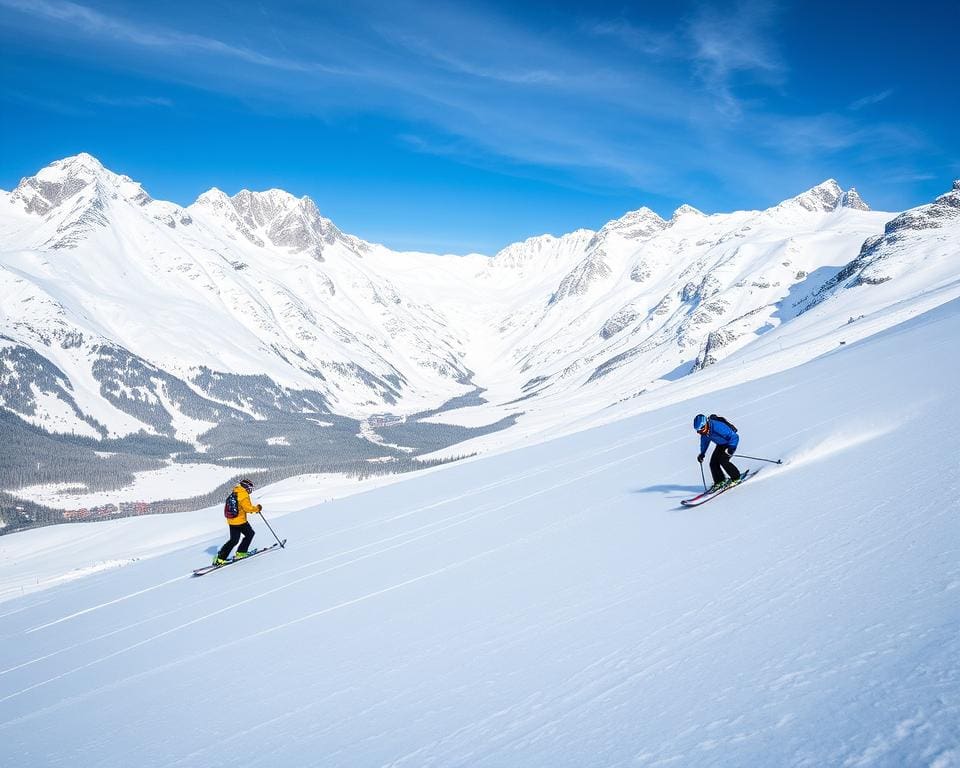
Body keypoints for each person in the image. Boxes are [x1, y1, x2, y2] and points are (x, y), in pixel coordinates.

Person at [214, 478, 262, 565]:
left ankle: (220, 558)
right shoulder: (243, 495)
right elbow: (248, 509)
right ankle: (241, 553)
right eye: (250, 488)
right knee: (250, 534)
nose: (250, 490)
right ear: (246, 487)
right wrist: (257, 508)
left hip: (232, 521)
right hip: (240, 521)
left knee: (233, 540)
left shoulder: (236, 491)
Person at [694, 414, 741, 492]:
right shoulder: (704, 433)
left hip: (730, 444)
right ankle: (720, 481)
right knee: (713, 463)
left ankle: (736, 477)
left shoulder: (717, 427)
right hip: (721, 445)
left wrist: (731, 448)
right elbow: (704, 442)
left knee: (723, 460)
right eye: (697, 430)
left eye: (700, 430)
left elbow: (734, 436)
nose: (699, 432)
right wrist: (702, 453)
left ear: (705, 425)